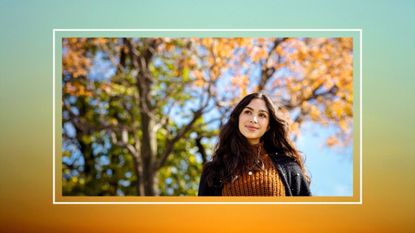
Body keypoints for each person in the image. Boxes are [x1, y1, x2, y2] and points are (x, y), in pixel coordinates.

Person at [198, 92, 311, 196]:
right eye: (248, 112)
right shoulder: (214, 169)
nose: (254, 119)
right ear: (238, 118)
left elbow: (307, 214)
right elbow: (204, 215)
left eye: (262, 115)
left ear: (268, 126)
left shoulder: (288, 166)